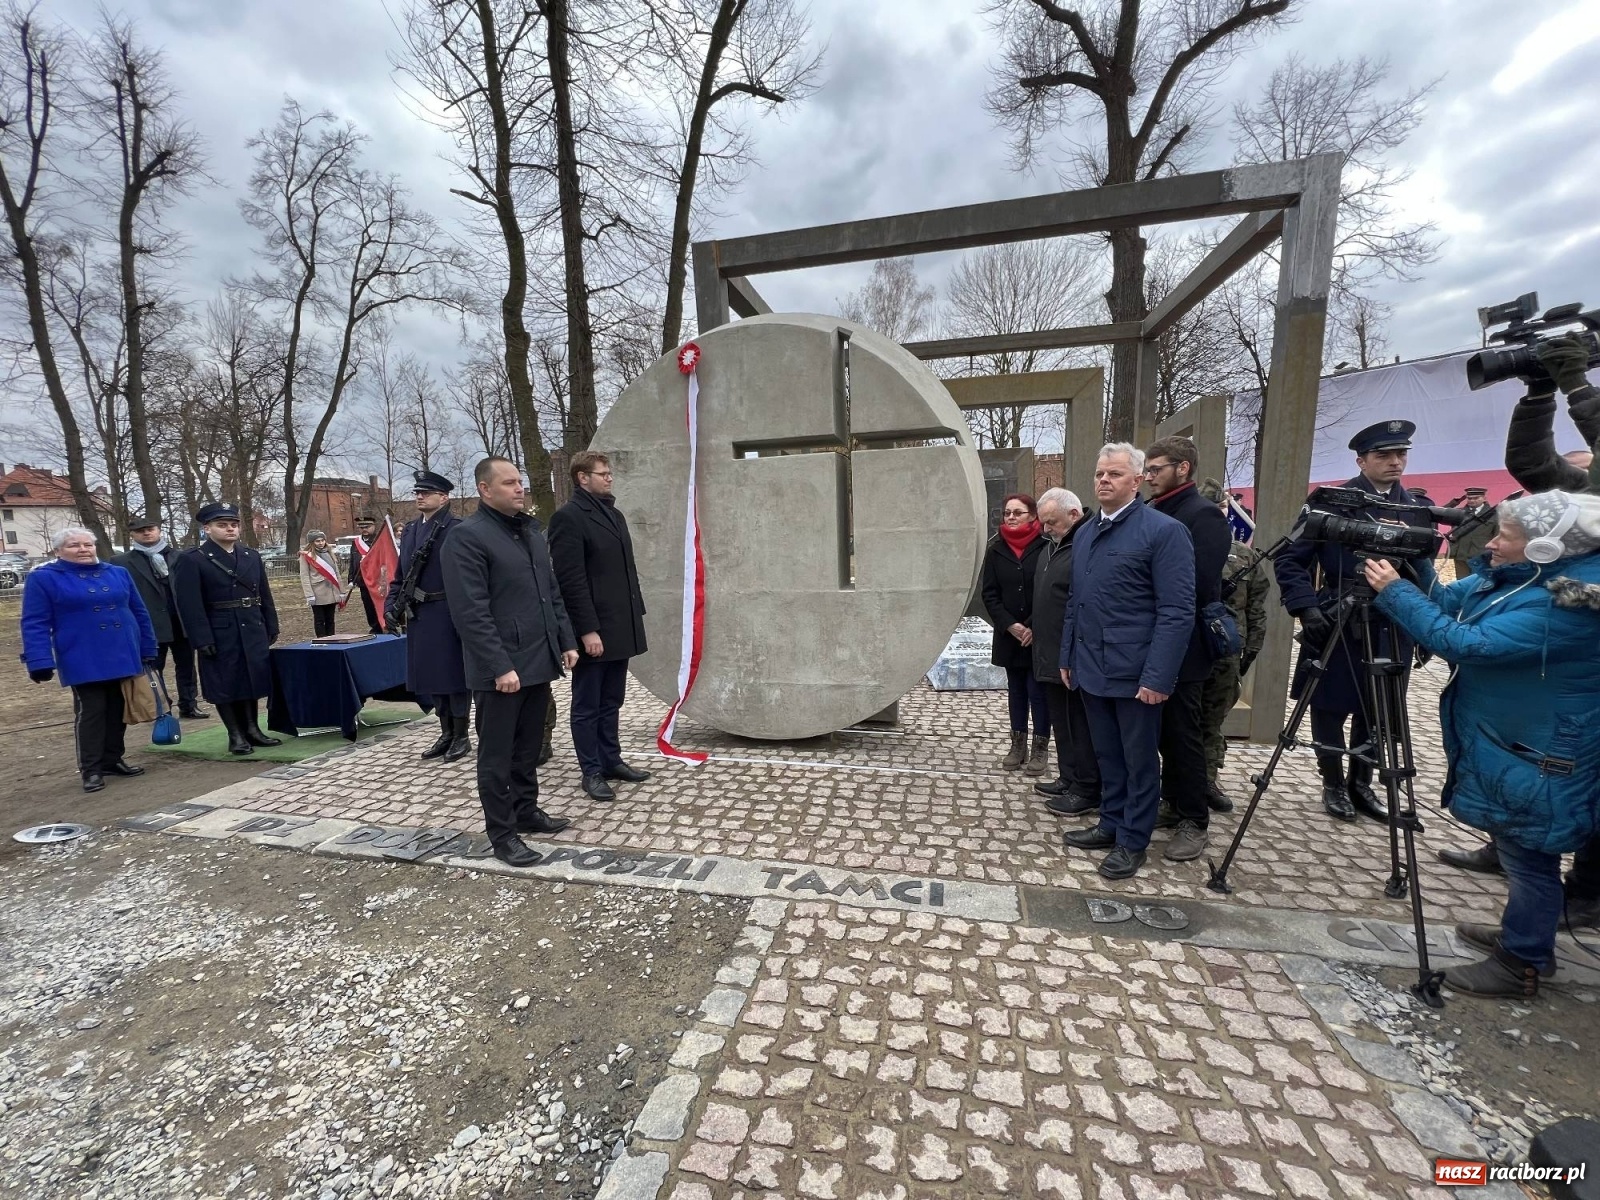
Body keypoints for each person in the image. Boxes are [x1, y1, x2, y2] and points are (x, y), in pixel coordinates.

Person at [1365, 491, 1600, 996]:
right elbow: (1449, 602)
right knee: (1521, 851)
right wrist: (1416, 560)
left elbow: (1466, 643)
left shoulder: (1571, 603)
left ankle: (1522, 963)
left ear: (1545, 547)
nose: (1492, 542)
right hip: (1518, 743)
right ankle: (1522, 937)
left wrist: (1392, 591)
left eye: (1505, 537)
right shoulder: (1525, 578)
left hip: (1545, 753)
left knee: (1531, 858)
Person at [1439, 337, 1600, 927]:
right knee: (1539, 767)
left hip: (1579, 659)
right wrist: (1539, 391)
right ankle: (1516, 852)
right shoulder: (1581, 512)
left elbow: (1462, 641)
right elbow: (1534, 468)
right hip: (1556, 686)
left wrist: (1577, 381)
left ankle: (1583, 894)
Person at [1274, 420, 1437, 823]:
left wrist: (1427, 628)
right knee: (1329, 705)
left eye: (1400, 455)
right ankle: (1332, 783)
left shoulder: (1416, 509)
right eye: (1383, 455)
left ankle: (1362, 783)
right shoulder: (1331, 502)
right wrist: (1306, 607)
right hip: (1339, 619)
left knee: (1378, 708)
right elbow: (1290, 559)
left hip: (1392, 620)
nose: (1394, 462)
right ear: (1362, 460)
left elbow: (1425, 572)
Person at [1059, 444, 1195, 880]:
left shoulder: (1163, 531)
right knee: (1107, 754)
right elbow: (1075, 602)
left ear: (1137, 481)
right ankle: (1110, 823)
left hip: (1136, 672)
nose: (1103, 481)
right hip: (1092, 668)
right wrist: (1067, 655)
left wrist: (1158, 676)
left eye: (1114, 474)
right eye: (1100, 473)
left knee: (1139, 761)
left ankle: (1132, 840)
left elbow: (1177, 611)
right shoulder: (1084, 532)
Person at [442, 456, 579, 867]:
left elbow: (550, 594)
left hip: (538, 660)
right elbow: (471, 612)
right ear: (485, 490)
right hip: (501, 670)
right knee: (497, 754)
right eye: (509, 483)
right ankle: (502, 834)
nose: (519, 488)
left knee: (528, 747)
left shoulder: (531, 534)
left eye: (520, 481)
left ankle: (526, 811)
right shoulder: (468, 538)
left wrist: (565, 641)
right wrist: (500, 666)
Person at [1142, 436, 1230, 862]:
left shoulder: (1203, 516)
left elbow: (1192, 586)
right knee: (1163, 734)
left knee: (1182, 733)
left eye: (1156, 468)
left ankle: (1194, 819)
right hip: (1154, 642)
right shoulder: (1156, 511)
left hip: (1186, 646)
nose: (1149, 475)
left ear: (1183, 468)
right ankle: (1173, 801)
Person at [22, 527, 159, 792]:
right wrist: (39, 661)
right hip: (82, 654)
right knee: (93, 711)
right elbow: (34, 622)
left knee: (120, 708)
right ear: (58, 551)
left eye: (88, 544)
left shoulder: (117, 573)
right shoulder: (44, 578)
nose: (83, 549)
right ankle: (91, 768)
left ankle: (112, 759)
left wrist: (147, 647)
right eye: (74, 545)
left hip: (122, 649)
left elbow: (138, 611)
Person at [548, 451, 651, 801]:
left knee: (612, 699)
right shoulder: (569, 519)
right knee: (588, 702)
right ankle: (590, 770)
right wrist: (586, 630)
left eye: (609, 473)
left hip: (620, 624)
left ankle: (611, 759)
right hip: (595, 629)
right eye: (602, 473)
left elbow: (624, 571)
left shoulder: (615, 514)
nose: (609, 478)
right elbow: (571, 580)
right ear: (582, 478)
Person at [171, 502, 282, 756]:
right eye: (222, 525)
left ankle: (253, 729)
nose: (230, 529)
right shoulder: (192, 560)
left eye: (233, 524)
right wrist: (200, 637)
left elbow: (264, 593)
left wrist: (270, 623)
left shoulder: (250, 556)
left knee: (251, 679)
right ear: (207, 528)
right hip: (219, 629)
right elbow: (189, 604)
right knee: (225, 681)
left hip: (252, 625)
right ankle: (235, 734)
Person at [388, 471, 473, 762]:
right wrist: (391, 604)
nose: (419, 496)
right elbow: (401, 574)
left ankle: (461, 735)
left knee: (455, 676)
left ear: (444, 497)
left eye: (427, 492)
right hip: (420, 613)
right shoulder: (411, 530)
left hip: (448, 611)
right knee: (432, 676)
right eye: (417, 492)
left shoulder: (457, 528)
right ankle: (446, 732)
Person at [1196, 479, 1267, 811]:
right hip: (1188, 648)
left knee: (1212, 721)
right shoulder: (1183, 547)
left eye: (1222, 508)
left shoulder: (1244, 556)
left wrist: (1248, 654)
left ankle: (1207, 779)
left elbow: (1256, 609)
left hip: (1225, 652)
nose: (1219, 514)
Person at [1030, 488, 1101, 814]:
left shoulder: (1085, 544)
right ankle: (1069, 777)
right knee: (1062, 722)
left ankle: (1086, 788)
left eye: (1052, 523)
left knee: (1079, 725)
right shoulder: (1053, 546)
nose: (1046, 529)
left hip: (1072, 656)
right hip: (1049, 653)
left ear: (1073, 515)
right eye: (1044, 523)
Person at [112, 514, 208, 719]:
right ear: (132, 535)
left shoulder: (180, 557)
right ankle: (160, 706)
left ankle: (189, 705)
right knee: (154, 669)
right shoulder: (121, 562)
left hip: (181, 621)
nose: (146, 533)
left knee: (187, 667)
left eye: (150, 528)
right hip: (150, 624)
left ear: (159, 531)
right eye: (140, 530)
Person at [981, 493, 1050, 774]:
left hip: (1039, 634)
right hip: (1010, 635)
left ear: (1033, 516)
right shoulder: (996, 549)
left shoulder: (1046, 546)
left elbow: (1050, 590)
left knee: (1039, 692)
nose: (1010, 517)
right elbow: (990, 593)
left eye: (1017, 513)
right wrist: (1011, 624)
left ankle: (1040, 749)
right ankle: (1017, 745)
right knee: (1017, 691)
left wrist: (1033, 625)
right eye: (1007, 512)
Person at [299, 530, 343, 637]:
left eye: (323, 540)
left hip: (331, 591)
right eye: (317, 541)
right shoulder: (306, 556)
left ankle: (332, 638)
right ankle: (321, 640)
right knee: (319, 620)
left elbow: (337, 573)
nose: (321, 543)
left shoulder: (329, 553)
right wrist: (309, 595)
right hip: (317, 592)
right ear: (312, 542)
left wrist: (342, 591)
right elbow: (304, 576)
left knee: (330, 620)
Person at [1448, 487, 1496, 579]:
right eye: (1469, 498)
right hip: (1461, 553)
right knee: (1462, 581)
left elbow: (1497, 535)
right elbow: (1437, 513)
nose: (1472, 500)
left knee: (1480, 581)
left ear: (1484, 498)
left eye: (1476, 498)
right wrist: (1453, 503)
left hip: (1481, 553)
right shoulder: (1457, 513)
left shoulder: (1493, 514)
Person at [349, 514, 383, 634]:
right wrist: (351, 579)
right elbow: (353, 561)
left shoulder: (380, 540)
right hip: (363, 580)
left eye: (367, 527)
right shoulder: (356, 542)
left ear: (374, 526)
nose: (364, 529)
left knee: (380, 604)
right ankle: (375, 626)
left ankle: (384, 625)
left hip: (378, 580)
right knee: (368, 606)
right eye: (362, 527)